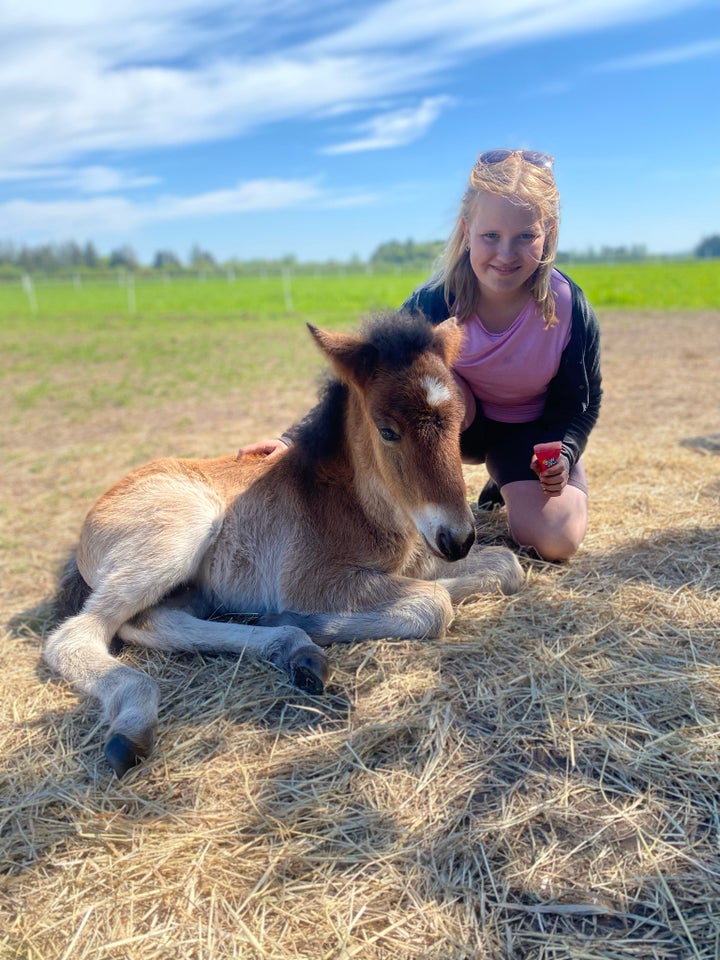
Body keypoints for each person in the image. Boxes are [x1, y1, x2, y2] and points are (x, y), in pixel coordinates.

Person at [240, 149, 602, 562]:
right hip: (453, 430)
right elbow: (367, 380)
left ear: (549, 233)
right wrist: (291, 439)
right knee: (421, 385)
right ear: (467, 231)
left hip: (531, 438)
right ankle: (448, 489)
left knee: (556, 541)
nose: (506, 253)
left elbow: (581, 403)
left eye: (525, 236)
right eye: (490, 236)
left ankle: (506, 480)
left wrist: (566, 451)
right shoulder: (434, 302)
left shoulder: (569, 306)